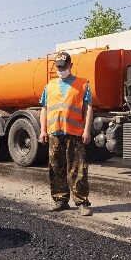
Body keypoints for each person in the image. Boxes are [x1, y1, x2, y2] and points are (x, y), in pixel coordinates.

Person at [38, 52, 94, 216]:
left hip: (75, 133)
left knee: (78, 169)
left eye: (63, 66)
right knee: (56, 167)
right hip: (55, 132)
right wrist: (42, 130)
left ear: (70, 65)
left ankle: (81, 202)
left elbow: (88, 109)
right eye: (58, 66)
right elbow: (44, 109)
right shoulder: (49, 86)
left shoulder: (83, 84)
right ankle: (60, 200)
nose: (60, 69)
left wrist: (87, 130)